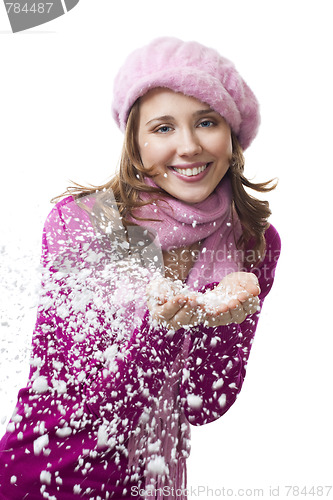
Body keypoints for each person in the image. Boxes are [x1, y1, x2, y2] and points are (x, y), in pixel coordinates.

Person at [0, 37, 281, 499]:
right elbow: (90, 393)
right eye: (163, 128)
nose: (188, 147)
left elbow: (204, 403)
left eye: (206, 122)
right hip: (44, 474)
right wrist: (170, 322)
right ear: (135, 142)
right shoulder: (84, 223)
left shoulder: (253, 244)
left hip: (150, 484)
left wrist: (227, 322)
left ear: (233, 135)